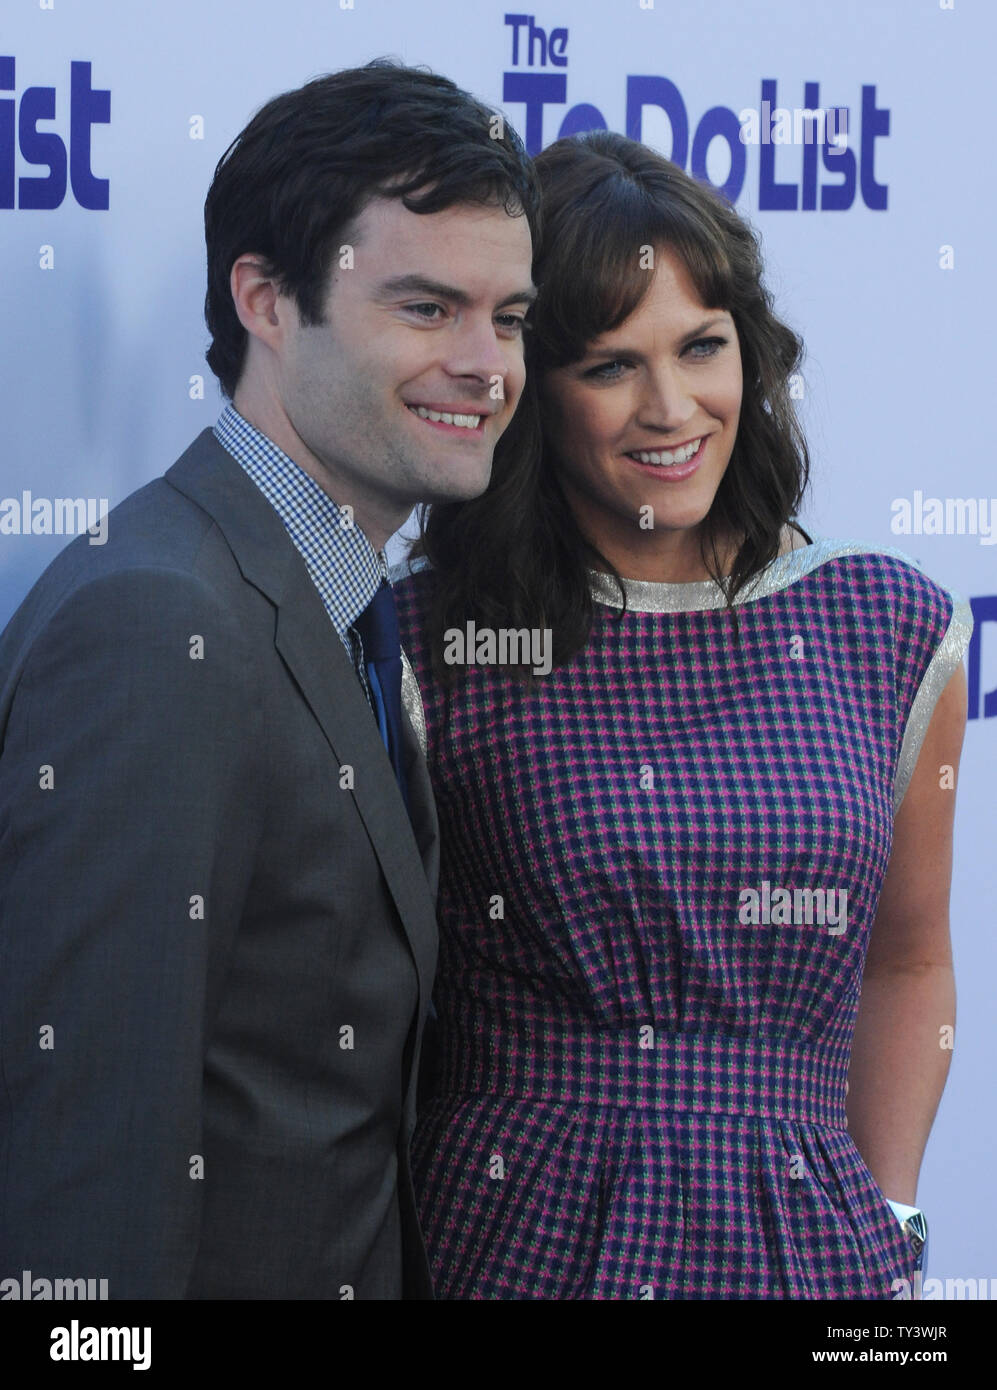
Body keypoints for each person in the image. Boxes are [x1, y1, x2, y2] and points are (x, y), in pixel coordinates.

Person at [391, 129, 973, 1299]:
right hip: (512, 1238)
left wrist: (892, 1216)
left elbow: (906, 961)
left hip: (818, 1254)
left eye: (701, 347)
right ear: (529, 390)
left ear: (749, 354)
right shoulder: (426, 642)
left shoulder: (891, 627)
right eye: (608, 365)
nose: (671, 408)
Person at [0, 59, 538, 1299]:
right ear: (266, 298)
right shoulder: (157, 622)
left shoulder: (348, 603)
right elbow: (91, 1167)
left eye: (506, 318)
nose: (486, 364)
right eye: (424, 307)